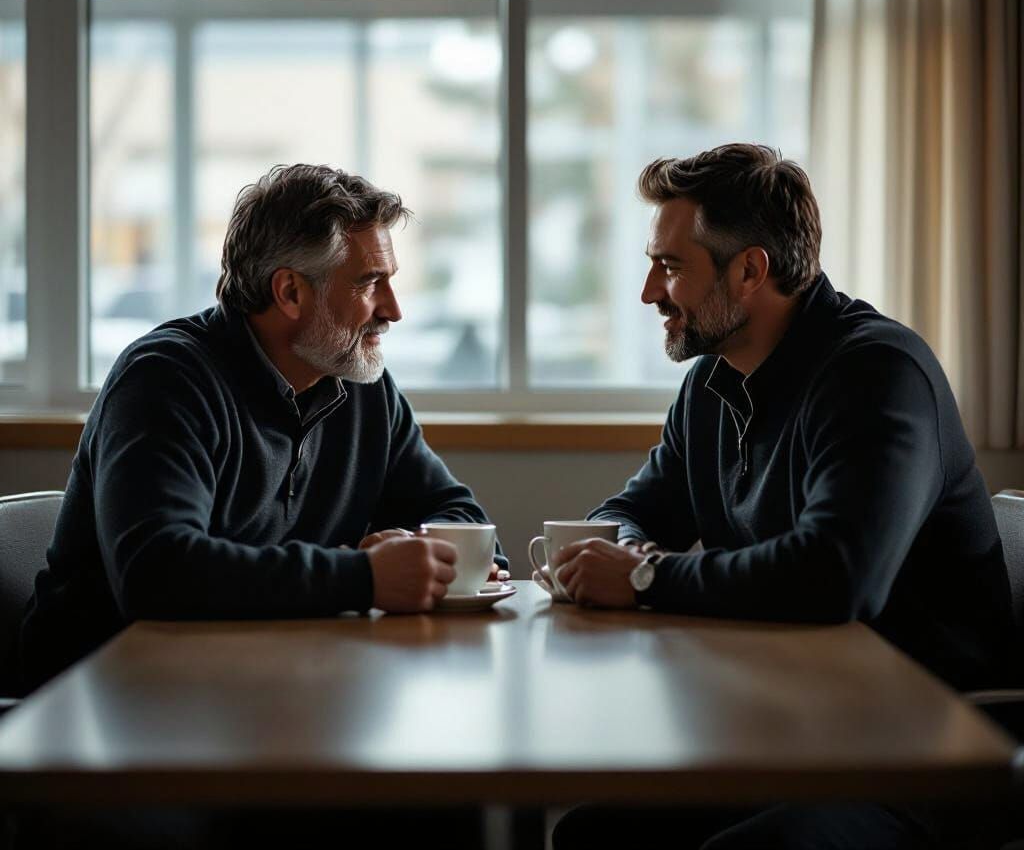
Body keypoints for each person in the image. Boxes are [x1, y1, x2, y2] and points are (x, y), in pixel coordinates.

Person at [549, 143, 1017, 850]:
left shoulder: (877, 374)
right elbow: (639, 507)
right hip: (793, 731)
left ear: (750, 271)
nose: (649, 292)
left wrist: (644, 577)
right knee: (593, 832)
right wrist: (604, 544)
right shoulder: (712, 383)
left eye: (670, 266)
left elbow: (837, 577)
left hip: (917, 758)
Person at [20, 163, 507, 695]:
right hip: (98, 710)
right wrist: (365, 577)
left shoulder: (362, 383)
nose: (393, 310)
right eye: (370, 283)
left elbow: (463, 520)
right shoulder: (165, 380)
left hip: (256, 688)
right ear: (290, 293)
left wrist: (416, 552)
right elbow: (156, 574)